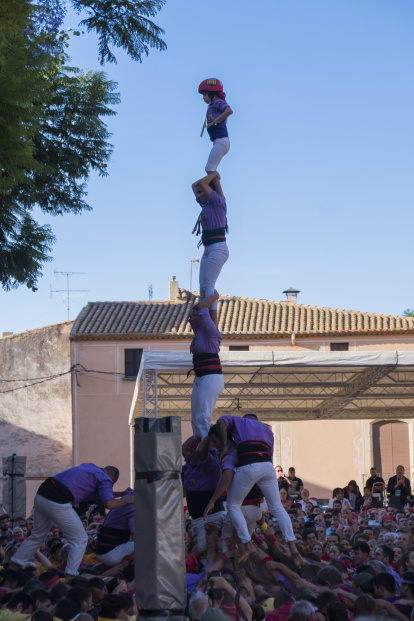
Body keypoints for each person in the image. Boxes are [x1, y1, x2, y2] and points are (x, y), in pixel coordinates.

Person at [207, 414, 303, 566]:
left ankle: (246, 545)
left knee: (232, 506)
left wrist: (225, 445)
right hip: (267, 468)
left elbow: (220, 422)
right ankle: (292, 545)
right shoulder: (267, 430)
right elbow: (269, 458)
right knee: (277, 508)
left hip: (249, 467)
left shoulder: (239, 422)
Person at [10, 463, 133, 578]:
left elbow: (103, 495)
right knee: (80, 539)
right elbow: (109, 504)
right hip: (57, 500)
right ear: (111, 480)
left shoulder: (90, 467)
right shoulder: (105, 479)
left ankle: (12, 567)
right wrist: (129, 499)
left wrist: (122, 493)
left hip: (42, 495)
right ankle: (71, 577)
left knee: (37, 536)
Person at [191, 173, 229, 326]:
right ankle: (204, 321)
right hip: (208, 250)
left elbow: (201, 183)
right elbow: (195, 185)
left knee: (208, 286)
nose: (198, 195)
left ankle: (213, 324)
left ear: (210, 192)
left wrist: (213, 173)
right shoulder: (206, 205)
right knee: (202, 289)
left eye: (202, 192)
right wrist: (212, 176)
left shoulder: (219, 204)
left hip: (218, 248)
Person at [189, 292, 224, 439]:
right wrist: (194, 312)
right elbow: (194, 316)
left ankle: (209, 451)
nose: (192, 318)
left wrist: (212, 295)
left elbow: (203, 308)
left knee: (202, 417)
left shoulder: (210, 331)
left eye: (196, 316)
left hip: (210, 377)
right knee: (195, 420)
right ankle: (200, 446)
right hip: (200, 377)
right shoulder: (199, 333)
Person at [182, 435, 225, 551]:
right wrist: (199, 433)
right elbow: (184, 447)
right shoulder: (191, 464)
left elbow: (201, 450)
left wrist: (210, 434)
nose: (188, 454)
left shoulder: (210, 465)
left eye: (191, 451)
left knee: (205, 549)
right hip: (197, 519)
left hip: (210, 518)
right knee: (201, 552)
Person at [198, 78, 233, 174]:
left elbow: (229, 111)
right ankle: (213, 188)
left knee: (209, 168)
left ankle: (214, 190)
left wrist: (214, 122)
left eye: (205, 95)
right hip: (218, 141)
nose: (203, 98)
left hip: (221, 141)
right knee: (211, 168)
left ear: (212, 94)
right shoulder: (213, 105)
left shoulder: (218, 102)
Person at [95, 491, 134, 568]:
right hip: (110, 553)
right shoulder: (132, 507)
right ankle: (124, 569)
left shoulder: (126, 498)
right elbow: (137, 537)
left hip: (102, 551)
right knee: (149, 546)